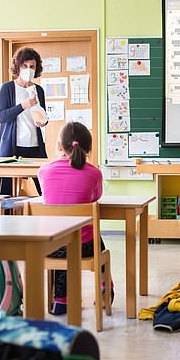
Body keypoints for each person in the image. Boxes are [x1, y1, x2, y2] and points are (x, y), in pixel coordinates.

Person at [38, 121, 111, 315]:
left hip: (51, 246)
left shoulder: (44, 171)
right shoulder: (94, 173)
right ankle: (105, 288)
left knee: (63, 239)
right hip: (85, 247)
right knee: (90, 237)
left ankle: (62, 300)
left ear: (60, 146)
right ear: (88, 147)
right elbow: (95, 198)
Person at [0, 47, 48, 196]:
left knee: (44, 190)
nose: (28, 69)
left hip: (34, 146)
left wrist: (43, 121)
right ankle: (4, 218)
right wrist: (23, 105)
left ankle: (47, 217)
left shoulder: (39, 90)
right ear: (18, 66)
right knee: (6, 193)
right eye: (25, 66)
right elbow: (1, 116)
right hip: (12, 148)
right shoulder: (7, 88)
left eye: (32, 67)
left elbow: (42, 116)